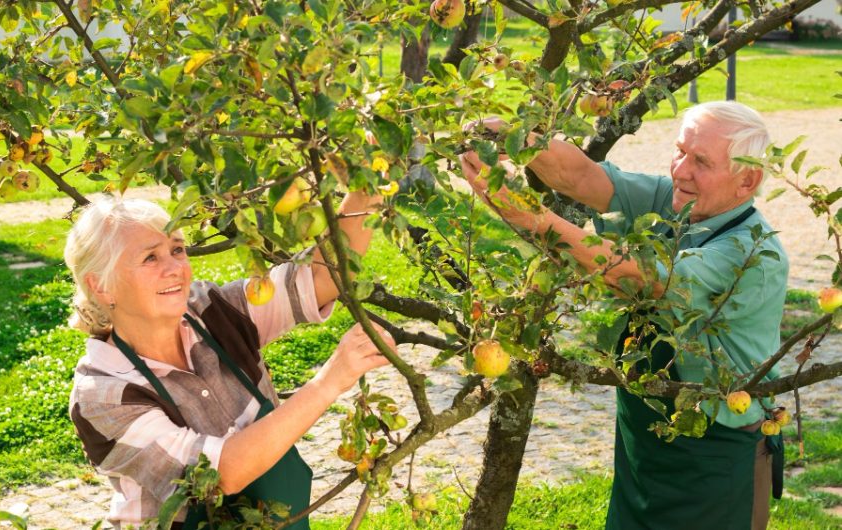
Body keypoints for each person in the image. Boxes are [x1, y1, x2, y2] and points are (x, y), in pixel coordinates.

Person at [460, 101, 787, 530]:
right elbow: (580, 176)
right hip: (646, 444)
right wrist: (514, 137)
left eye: (701, 161)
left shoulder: (752, 253)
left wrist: (533, 218)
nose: (681, 170)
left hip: (716, 456)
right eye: (680, 151)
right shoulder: (672, 205)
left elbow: (648, 279)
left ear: (748, 179)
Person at [63, 190, 393, 529]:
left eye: (177, 249)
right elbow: (218, 476)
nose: (175, 268)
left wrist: (364, 179)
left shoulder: (211, 312)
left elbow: (322, 278)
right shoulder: (104, 394)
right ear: (101, 286)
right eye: (151, 258)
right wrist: (328, 382)